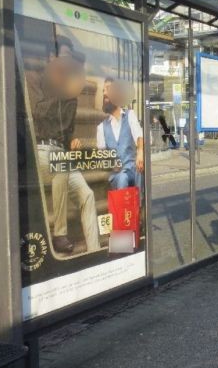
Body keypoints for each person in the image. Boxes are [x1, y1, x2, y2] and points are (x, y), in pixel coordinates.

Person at [25, 35, 99, 254]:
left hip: (60, 153)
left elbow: (66, 132)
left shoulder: (70, 93)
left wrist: (72, 140)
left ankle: (94, 250)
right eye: (63, 57)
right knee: (62, 167)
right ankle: (59, 234)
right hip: (39, 151)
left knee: (87, 195)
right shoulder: (34, 79)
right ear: (50, 57)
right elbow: (38, 114)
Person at [97, 78, 144, 190]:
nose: (104, 93)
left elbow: (139, 136)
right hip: (116, 174)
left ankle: (139, 204)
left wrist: (140, 152)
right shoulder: (101, 127)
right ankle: (123, 207)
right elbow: (101, 155)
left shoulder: (130, 115)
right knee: (122, 178)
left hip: (132, 168)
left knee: (139, 170)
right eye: (103, 91)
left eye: (107, 89)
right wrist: (110, 163)